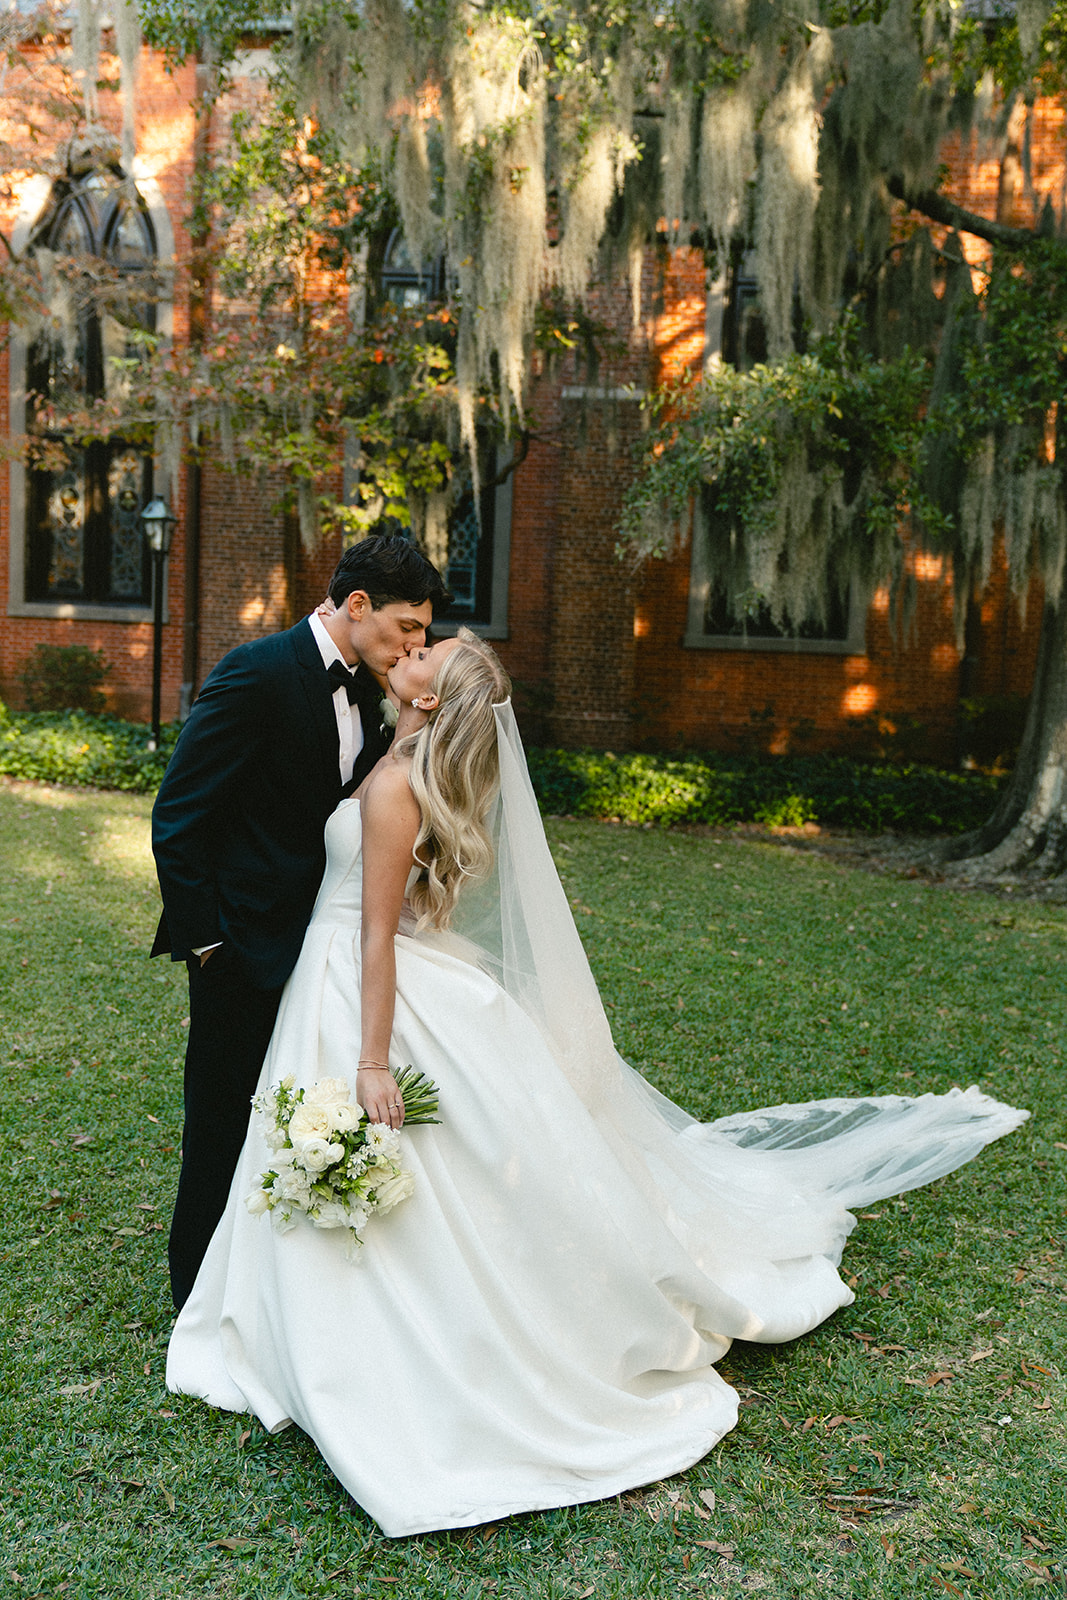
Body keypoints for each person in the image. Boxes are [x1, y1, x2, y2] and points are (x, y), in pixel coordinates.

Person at [166, 630, 1027, 1537]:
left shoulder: (391, 785)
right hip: (366, 974)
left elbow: (379, 932)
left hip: (355, 985)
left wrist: (373, 1061)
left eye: (428, 654)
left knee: (393, 1154)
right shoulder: (412, 766)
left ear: (426, 702)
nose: (411, 650)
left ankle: (360, 1340)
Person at [151, 532, 449, 1311]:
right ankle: (195, 1292)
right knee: (219, 1118)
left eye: (422, 632)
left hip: (326, 954)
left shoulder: (375, 692)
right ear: (357, 605)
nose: (416, 643)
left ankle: (275, 1287)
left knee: (292, 1117)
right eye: (407, 627)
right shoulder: (255, 672)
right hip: (243, 947)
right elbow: (179, 817)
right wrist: (209, 944)